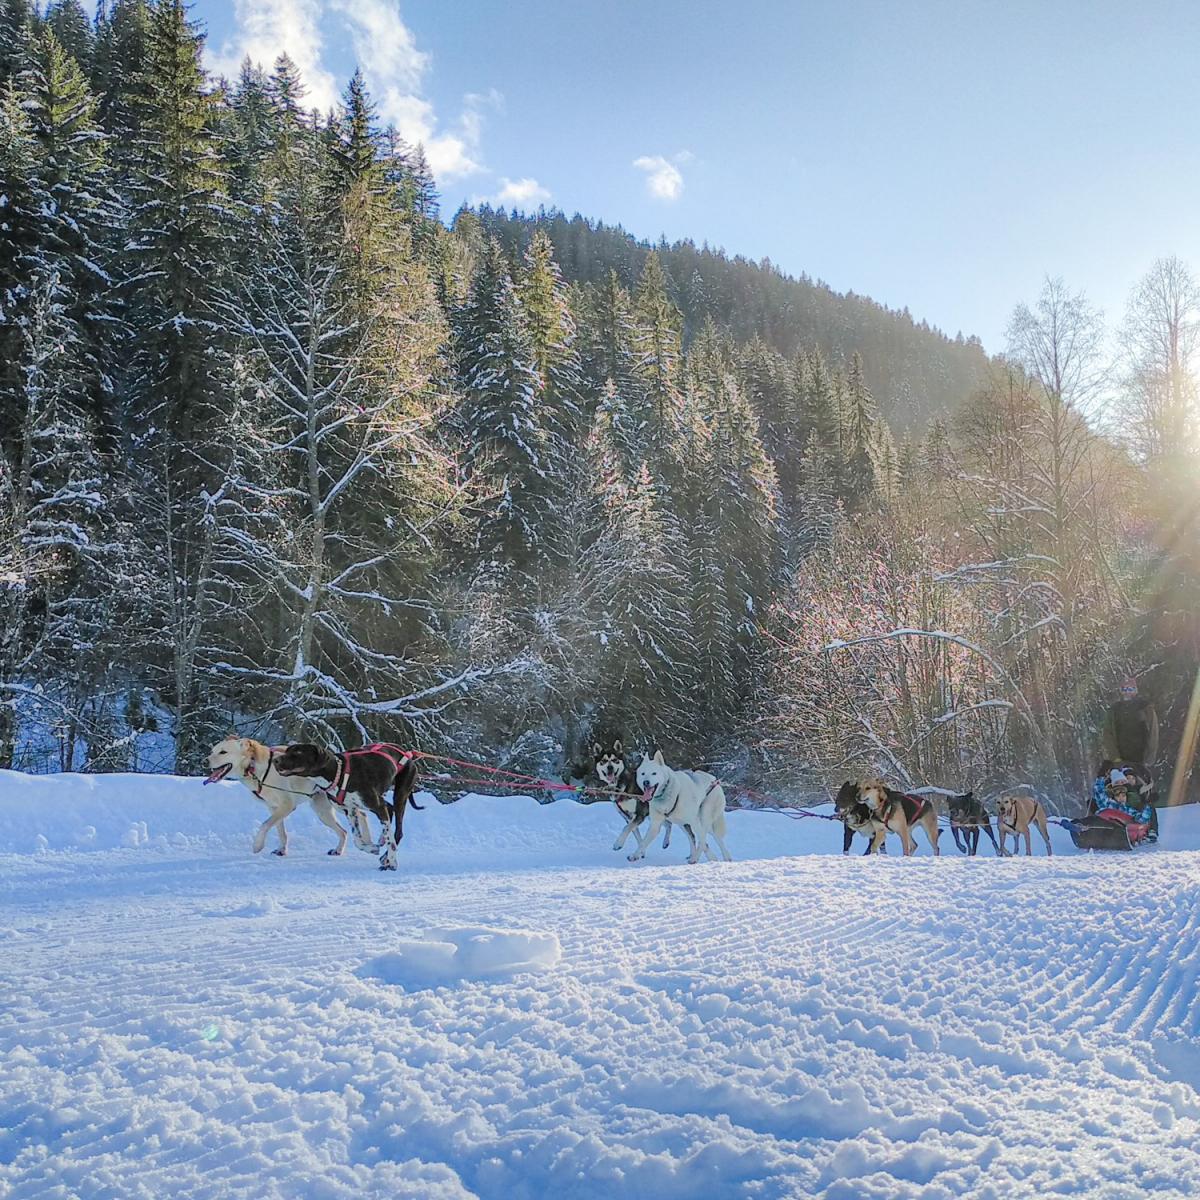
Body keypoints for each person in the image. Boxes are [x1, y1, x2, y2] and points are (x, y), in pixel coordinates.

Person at [1100, 678, 1160, 842]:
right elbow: (1108, 734)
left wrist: (1149, 757)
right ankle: (1117, 824)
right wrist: (1115, 757)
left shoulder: (1145, 707)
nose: (1128, 693)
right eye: (1125, 689)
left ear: (1136, 690)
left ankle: (1152, 828)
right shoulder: (1115, 710)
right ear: (1121, 691)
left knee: (1144, 792)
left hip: (1140, 759)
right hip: (1119, 759)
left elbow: (1153, 733)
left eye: (1131, 689)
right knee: (1117, 791)